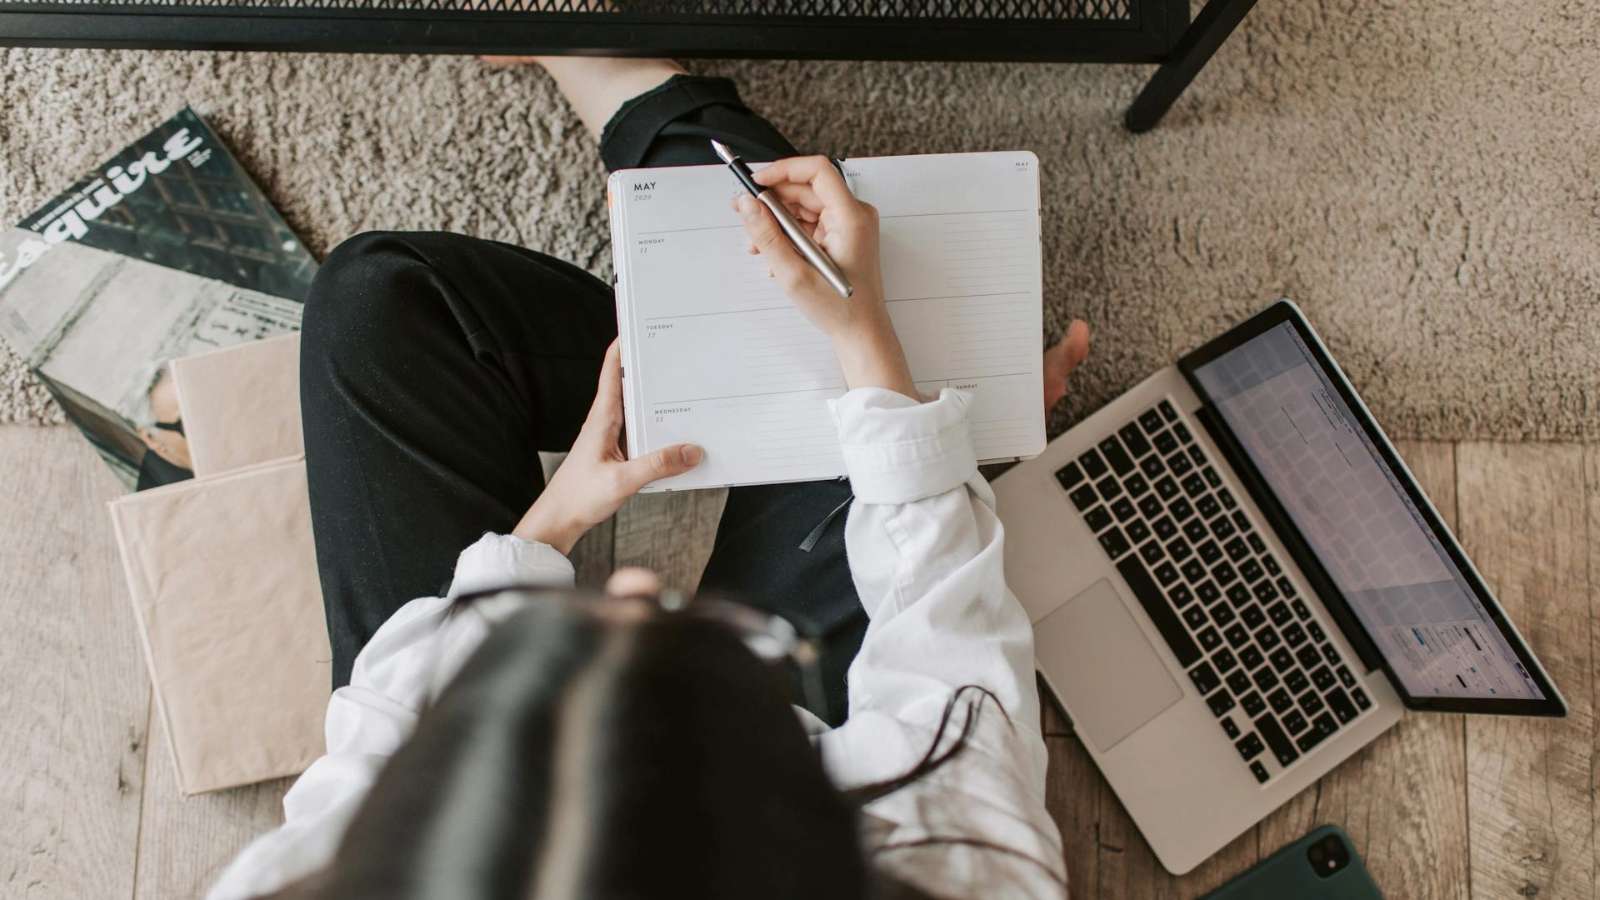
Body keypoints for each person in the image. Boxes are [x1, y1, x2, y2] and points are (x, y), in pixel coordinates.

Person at [206, 56, 1092, 900]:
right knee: (892, 390)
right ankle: (621, 74)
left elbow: (383, 730)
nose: (629, 580)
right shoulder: (961, 865)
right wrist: (878, 359)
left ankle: (681, 292)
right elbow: (948, 651)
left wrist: (547, 529)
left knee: (378, 301)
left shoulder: (312, 882)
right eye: (683, 645)